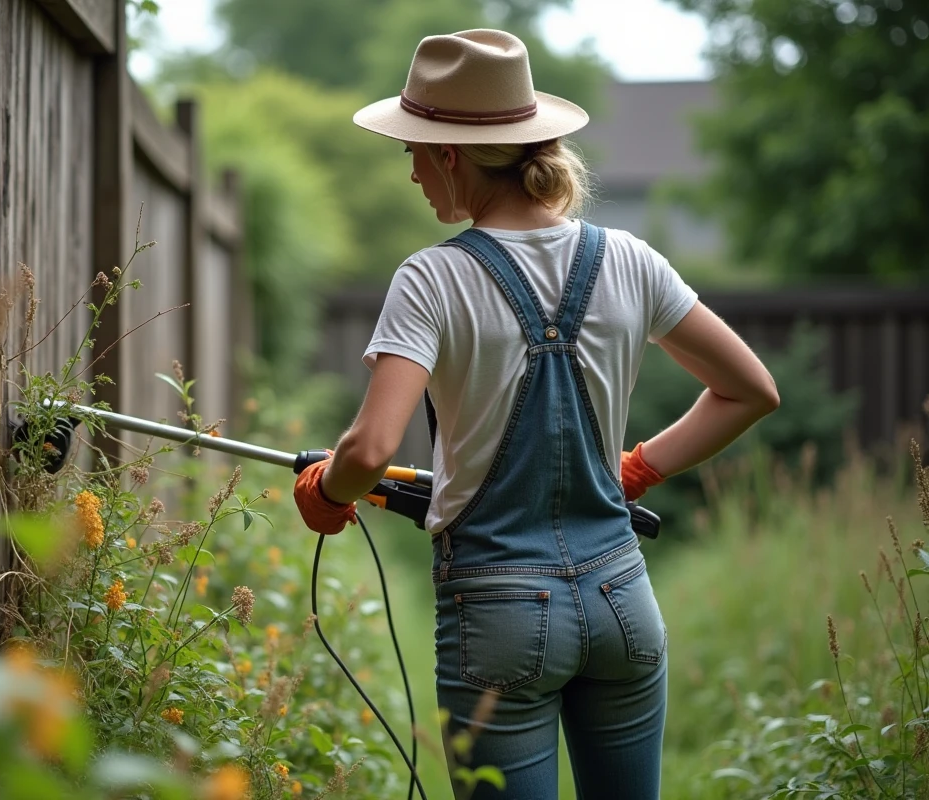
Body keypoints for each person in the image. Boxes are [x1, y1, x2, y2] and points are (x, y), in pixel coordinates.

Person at [291, 28, 780, 800]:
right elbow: (751, 390)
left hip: (497, 615)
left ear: (450, 154)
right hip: (624, 600)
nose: (412, 170)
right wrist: (640, 468)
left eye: (413, 149)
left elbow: (370, 446)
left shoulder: (432, 278)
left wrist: (327, 494)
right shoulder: (631, 259)